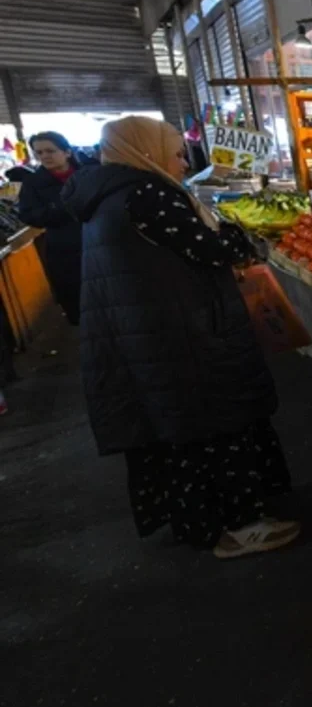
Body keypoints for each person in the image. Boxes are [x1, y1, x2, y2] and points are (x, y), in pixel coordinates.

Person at [62, 116, 298, 559]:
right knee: (211, 425)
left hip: (151, 335)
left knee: (180, 431)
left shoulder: (108, 194)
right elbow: (214, 249)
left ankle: (203, 521)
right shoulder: (147, 194)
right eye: (174, 151)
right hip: (180, 336)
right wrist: (242, 238)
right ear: (146, 151)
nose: (184, 160)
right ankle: (234, 527)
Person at [17, 132, 83, 324]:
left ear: (67, 152)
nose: (45, 156)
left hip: (98, 241)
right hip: (64, 250)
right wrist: (60, 210)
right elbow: (28, 214)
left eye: (50, 151)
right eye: (39, 152)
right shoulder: (33, 184)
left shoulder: (87, 174)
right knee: (75, 298)